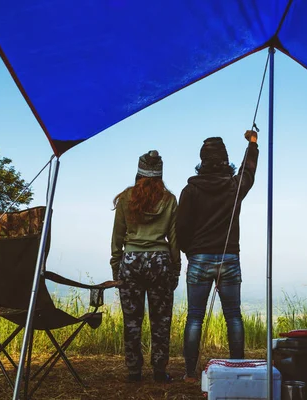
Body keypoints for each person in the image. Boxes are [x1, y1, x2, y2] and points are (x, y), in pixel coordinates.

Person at [177, 131, 259, 380]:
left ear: (202, 162)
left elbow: (181, 230)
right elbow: (248, 172)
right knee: (233, 316)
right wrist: (252, 145)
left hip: (199, 259)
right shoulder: (234, 187)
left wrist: (191, 252)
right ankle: (237, 368)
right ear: (225, 161)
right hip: (230, 259)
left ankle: (190, 372)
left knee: (194, 318)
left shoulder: (189, 191)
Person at [110, 150, 180, 383]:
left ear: (138, 172)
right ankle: (159, 371)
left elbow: (117, 237)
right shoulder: (169, 199)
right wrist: (176, 269)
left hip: (131, 261)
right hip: (160, 262)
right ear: (160, 174)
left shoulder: (126, 198)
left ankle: (134, 371)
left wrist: (116, 267)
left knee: (132, 320)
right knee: (161, 320)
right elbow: (174, 239)